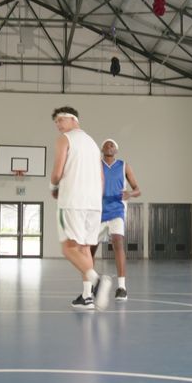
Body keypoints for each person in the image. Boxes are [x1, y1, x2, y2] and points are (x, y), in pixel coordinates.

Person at [49, 106, 112, 310]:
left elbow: (57, 173)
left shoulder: (65, 139)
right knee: (84, 249)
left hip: (72, 201)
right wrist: (97, 199)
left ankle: (98, 281)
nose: (58, 125)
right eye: (56, 122)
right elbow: (102, 178)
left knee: (68, 248)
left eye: (60, 120)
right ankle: (87, 297)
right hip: (94, 204)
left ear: (73, 119)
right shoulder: (93, 144)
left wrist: (53, 186)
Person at [89, 139, 141, 301]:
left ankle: (121, 287)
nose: (109, 146)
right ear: (102, 149)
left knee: (118, 242)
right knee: (90, 250)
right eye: (107, 144)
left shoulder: (124, 165)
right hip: (98, 211)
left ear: (116, 150)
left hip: (117, 210)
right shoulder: (95, 166)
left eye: (112, 145)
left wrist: (129, 194)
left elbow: (138, 190)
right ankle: (91, 284)